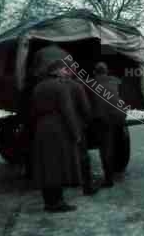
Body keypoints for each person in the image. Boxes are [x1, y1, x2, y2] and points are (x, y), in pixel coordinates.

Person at [30, 61, 82, 212]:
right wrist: (76, 133)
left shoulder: (38, 86)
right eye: (65, 70)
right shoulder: (61, 86)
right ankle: (57, 203)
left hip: (41, 127)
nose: (67, 73)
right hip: (57, 128)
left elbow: (33, 111)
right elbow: (68, 112)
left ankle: (48, 201)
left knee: (46, 166)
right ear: (57, 71)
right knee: (57, 166)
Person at [64, 62, 99, 196]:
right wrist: (88, 120)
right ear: (71, 71)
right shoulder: (77, 86)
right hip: (78, 124)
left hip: (61, 125)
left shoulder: (57, 84)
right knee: (82, 155)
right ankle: (87, 186)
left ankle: (69, 180)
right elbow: (85, 108)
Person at [91, 61, 126, 187]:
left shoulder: (90, 82)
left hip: (103, 118)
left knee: (106, 148)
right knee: (115, 142)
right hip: (120, 116)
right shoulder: (116, 80)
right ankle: (117, 168)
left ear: (95, 72)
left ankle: (108, 179)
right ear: (107, 71)